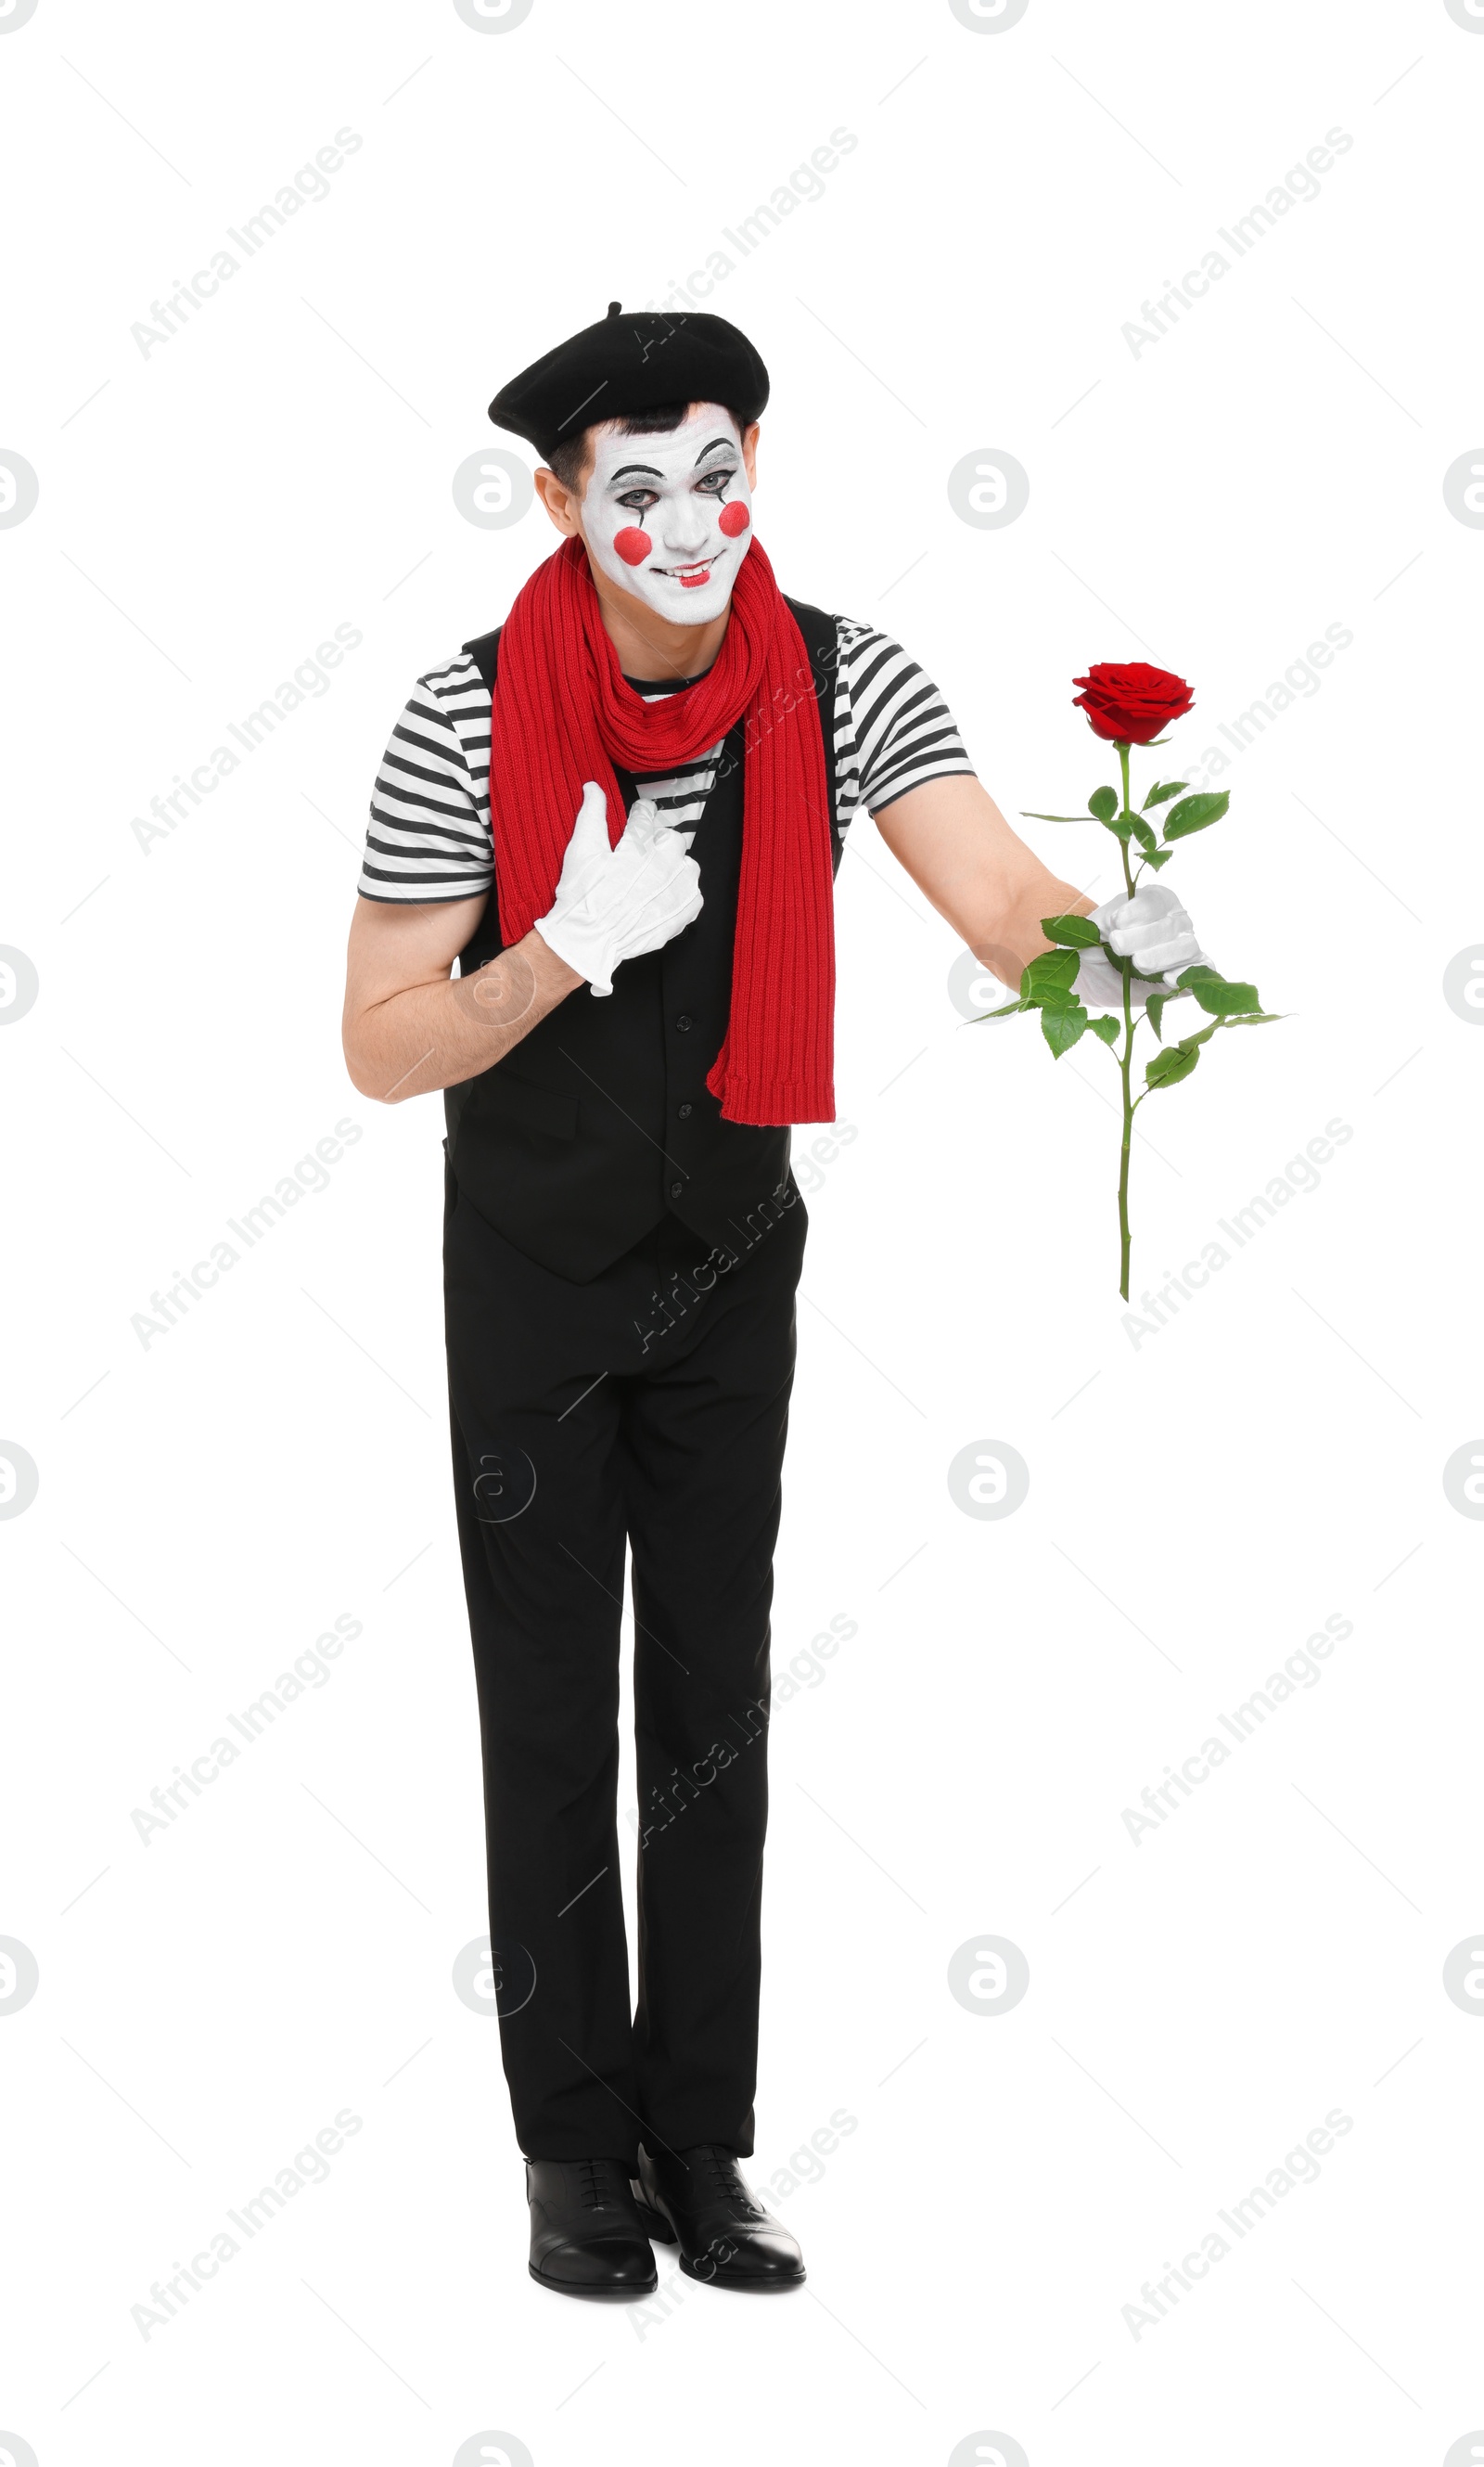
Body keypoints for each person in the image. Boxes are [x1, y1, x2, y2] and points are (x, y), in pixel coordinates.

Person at [340, 304, 1203, 2300]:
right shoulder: (458, 721)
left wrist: (1118, 942)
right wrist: (560, 943)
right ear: (558, 502)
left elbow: (1002, 906)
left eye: (715, 473)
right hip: (531, 1280)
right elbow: (381, 1048)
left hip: (732, 1267)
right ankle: (572, 2153)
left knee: (709, 1715)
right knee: (548, 1719)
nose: (684, 519)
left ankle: (695, 2142)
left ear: (753, 474)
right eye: (633, 487)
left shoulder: (843, 677)